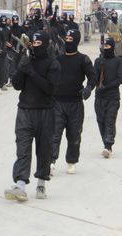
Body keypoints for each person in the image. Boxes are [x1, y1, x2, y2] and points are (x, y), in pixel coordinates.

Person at [4, 30, 61, 202]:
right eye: (33, 44)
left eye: (38, 44)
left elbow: (50, 89)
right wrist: (22, 68)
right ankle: (20, 185)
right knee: (22, 149)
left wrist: (32, 73)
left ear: (45, 44)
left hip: (45, 111)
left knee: (44, 149)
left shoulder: (53, 63)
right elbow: (17, 85)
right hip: (25, 111)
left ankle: (42, 182)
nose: (35, 47)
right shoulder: (26, 60)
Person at [51, 29, 96, 175]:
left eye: (71, 39)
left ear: (76, 41)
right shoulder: (58, 59)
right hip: (57, 103)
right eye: (67, 39)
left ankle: (71, 161)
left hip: (75, 103)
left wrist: (89, 88)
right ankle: (51, 161)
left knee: (74, 134)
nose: (68, 41)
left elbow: (92, 76)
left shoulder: (83, 59)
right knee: (54, 134)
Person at [93, 38, 122, 158]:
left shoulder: (118, 61)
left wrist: (106, 87)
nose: (106, 48)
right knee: (101, 121)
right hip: (99, 97)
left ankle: (108, 145)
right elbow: (94, 78)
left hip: (112, 97)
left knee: (109, 120)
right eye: (104, 46)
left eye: (108, 46)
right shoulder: (98, 61)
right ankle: (105, 143)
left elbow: (121, 78)